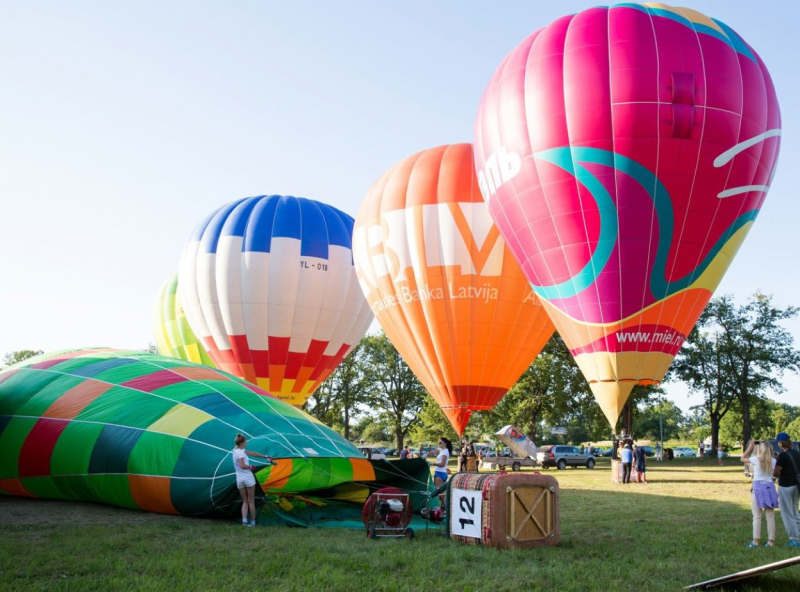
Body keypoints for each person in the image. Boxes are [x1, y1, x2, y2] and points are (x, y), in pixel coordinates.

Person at [742, 440, 779, 548]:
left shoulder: (756, 460)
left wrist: (750, 447)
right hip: (769, 487)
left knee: (757, 516)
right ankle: (771, 541)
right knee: (770, 516)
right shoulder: (773, 461)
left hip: (758, 488)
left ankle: (755, 541)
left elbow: (742, 458)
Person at [232, 433, 272, 526]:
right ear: (242, 442)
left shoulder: (236, 451)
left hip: (240, 480)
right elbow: (242, 465)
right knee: (251, 501)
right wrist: (251, 466)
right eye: (245, 441)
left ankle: (244, 521)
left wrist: (265, 456)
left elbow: (252, 453)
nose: (246, 443)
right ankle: (253, 522)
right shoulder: (241, 453)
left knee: (245, 501)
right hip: (248, 478)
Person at [773, 432, 800, 547]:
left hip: (785, 486)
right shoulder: (797, 453)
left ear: (780, 443)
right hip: (797, 486)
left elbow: (776, 472)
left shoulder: (783, 456)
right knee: (795, 511)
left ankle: (794, 539)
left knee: (787, 513)